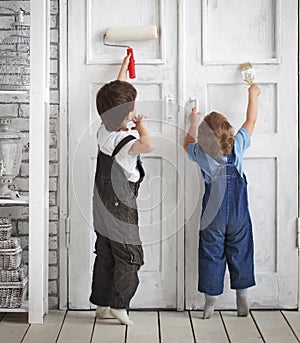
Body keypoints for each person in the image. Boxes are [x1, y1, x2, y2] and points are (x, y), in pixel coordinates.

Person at [184, 83, 261, 319]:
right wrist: (252, 93)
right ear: (229, 133)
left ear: (204, 140)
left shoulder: (201, 153)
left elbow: (186, 143)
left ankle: (210, 302)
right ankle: (242, 297)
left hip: (212, 219)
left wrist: (193, 121)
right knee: (242, 251)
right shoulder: (237, 146)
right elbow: (251, 121)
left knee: (210, 254)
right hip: (238, 217)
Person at [90, 54, 154, 325]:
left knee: (105, 253)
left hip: (100, 206)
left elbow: (116, 95)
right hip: (120, 208)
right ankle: (119, 305)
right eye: (131, 109)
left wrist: (124, 68)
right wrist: (140, 125)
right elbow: (149, 145)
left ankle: (102, 304)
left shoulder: (103, 131)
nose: (134, 111)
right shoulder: (127, 141)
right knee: (129, 255)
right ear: (123, 115)